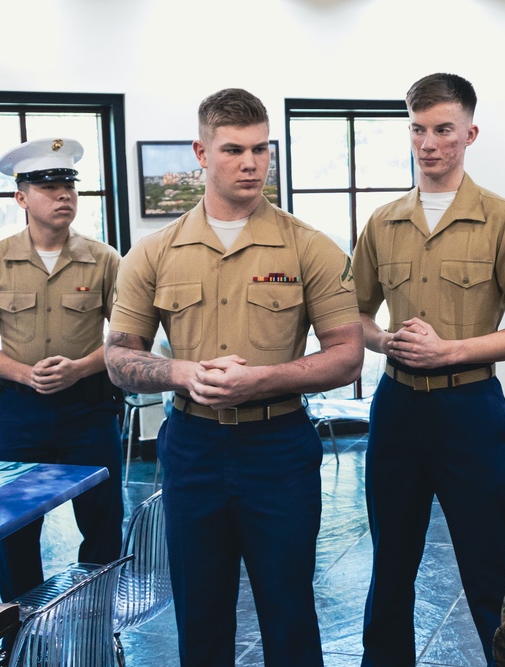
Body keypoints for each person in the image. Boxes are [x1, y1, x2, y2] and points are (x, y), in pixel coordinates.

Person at [104, 88, 363, 666]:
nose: (250, 163)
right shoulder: (154, 253)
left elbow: (348, 356)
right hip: (193, 447)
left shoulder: (309, 248)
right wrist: (180, 372)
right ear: (201, 152)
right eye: (233, 150)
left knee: (289, 605)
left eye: (261, 149)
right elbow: (119, 357)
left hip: (278, 446)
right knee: (200, 609)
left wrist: (262, 381)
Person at [352, 72, 505, 666]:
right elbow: (353, 317)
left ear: (469, 133)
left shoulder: (503, 219)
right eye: (418, 130)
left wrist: (450, 352)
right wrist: (387, 341)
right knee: (390, 564)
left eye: (443, 129)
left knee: (491, 562)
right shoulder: (383, 221)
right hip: (396, 409)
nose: (429, 143)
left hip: (468, 409)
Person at [0, 137, 124, 603]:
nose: (63, 194)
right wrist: (24, 374)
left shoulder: (105, 260)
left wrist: (81, 367)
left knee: (103, 521)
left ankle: (96, 620)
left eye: (68, 184)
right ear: (21, 197)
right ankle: (20, 629)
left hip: (88, 407)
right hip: (20, 410)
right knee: (15, 528)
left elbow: (130, 340)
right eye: (48, 186)